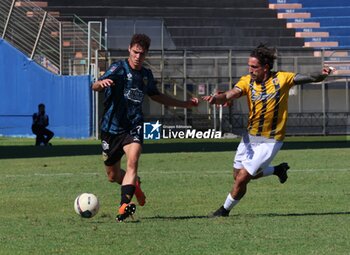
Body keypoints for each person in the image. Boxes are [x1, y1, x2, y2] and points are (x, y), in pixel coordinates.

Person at [202, 43, 334, 217]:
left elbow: (309, 77)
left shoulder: (282, 79)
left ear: (265, 68)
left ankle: (223, 211)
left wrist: (322, 75)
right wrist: (215, 99)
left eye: (254, 67)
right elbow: (229, 94)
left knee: (243, 178)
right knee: (239, 176)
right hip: (250, 138)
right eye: (249, 66)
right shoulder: (247, 81)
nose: (250, 70)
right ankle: (277, 170)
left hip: (271, 140)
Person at [92, 33, 199, 222]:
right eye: (135, 52)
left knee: (133, 161)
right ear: (129, 50)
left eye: (141, 54)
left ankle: (123, 206)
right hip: (111, 129)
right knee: (112, 175)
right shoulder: (118, 67)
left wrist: (184, 104)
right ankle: (135, 186)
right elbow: (95, 85)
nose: (137, 57)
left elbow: (156, 95)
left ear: (146, 54)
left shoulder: (146, 75)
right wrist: (101, 84)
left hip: (133, 126)